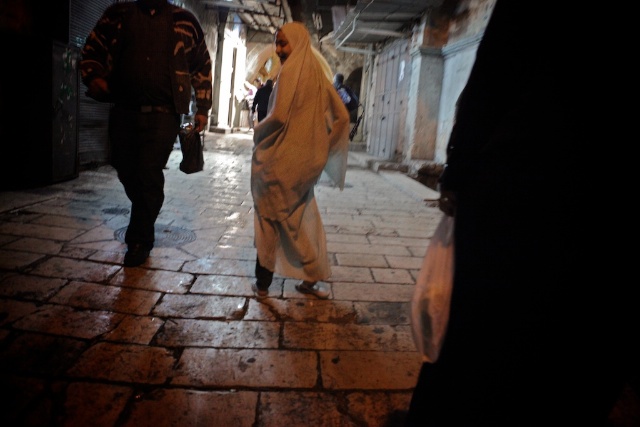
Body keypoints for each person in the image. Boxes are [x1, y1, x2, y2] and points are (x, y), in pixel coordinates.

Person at [405, 1, 636, 426]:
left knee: (481, 335)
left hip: (525, 185)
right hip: (607, 204)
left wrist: (459, 171)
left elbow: (497, 70)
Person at [80, 0, 212, 267]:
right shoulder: (116, 15)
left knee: (149, 171)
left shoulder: (185, 22)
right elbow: (92, 49)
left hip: (164, 115)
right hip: (124, 110)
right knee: (125, 168)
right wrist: (93, 76)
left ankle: (139, 240)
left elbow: (201, 65)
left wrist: (203, 106)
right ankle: (147, 203)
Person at [250, 22, 350, 299]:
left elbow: (279, 116)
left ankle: (262, 283)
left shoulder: (290, 71)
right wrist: (322, 148)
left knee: (267, 218)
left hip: (279, 163)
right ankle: (311, 276)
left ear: (298, 42)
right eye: (277, 43)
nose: (279, 49)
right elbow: (342, 117)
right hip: (306, 166)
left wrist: (259, 131)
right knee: (299, 217)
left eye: (283, 43)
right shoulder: (317, 74)